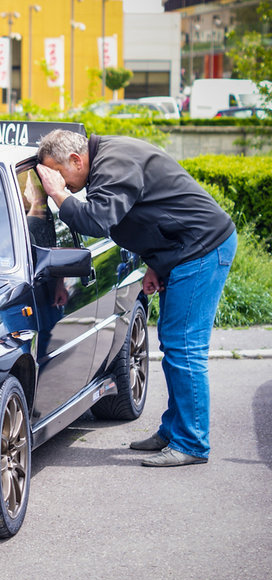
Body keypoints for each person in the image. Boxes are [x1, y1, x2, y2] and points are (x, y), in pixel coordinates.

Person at [36, 129, 237, 468]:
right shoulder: (106, 161)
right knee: (174, 347)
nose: (57, 182)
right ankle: (175, 430)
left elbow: (99, 221)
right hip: (180, 252)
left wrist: (58, 195)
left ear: (75, 159)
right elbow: (140, 214)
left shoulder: (115, 163)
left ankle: (192, 442)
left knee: (184, 347)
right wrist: (154, 263)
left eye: (58, 173)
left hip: (201, 251)